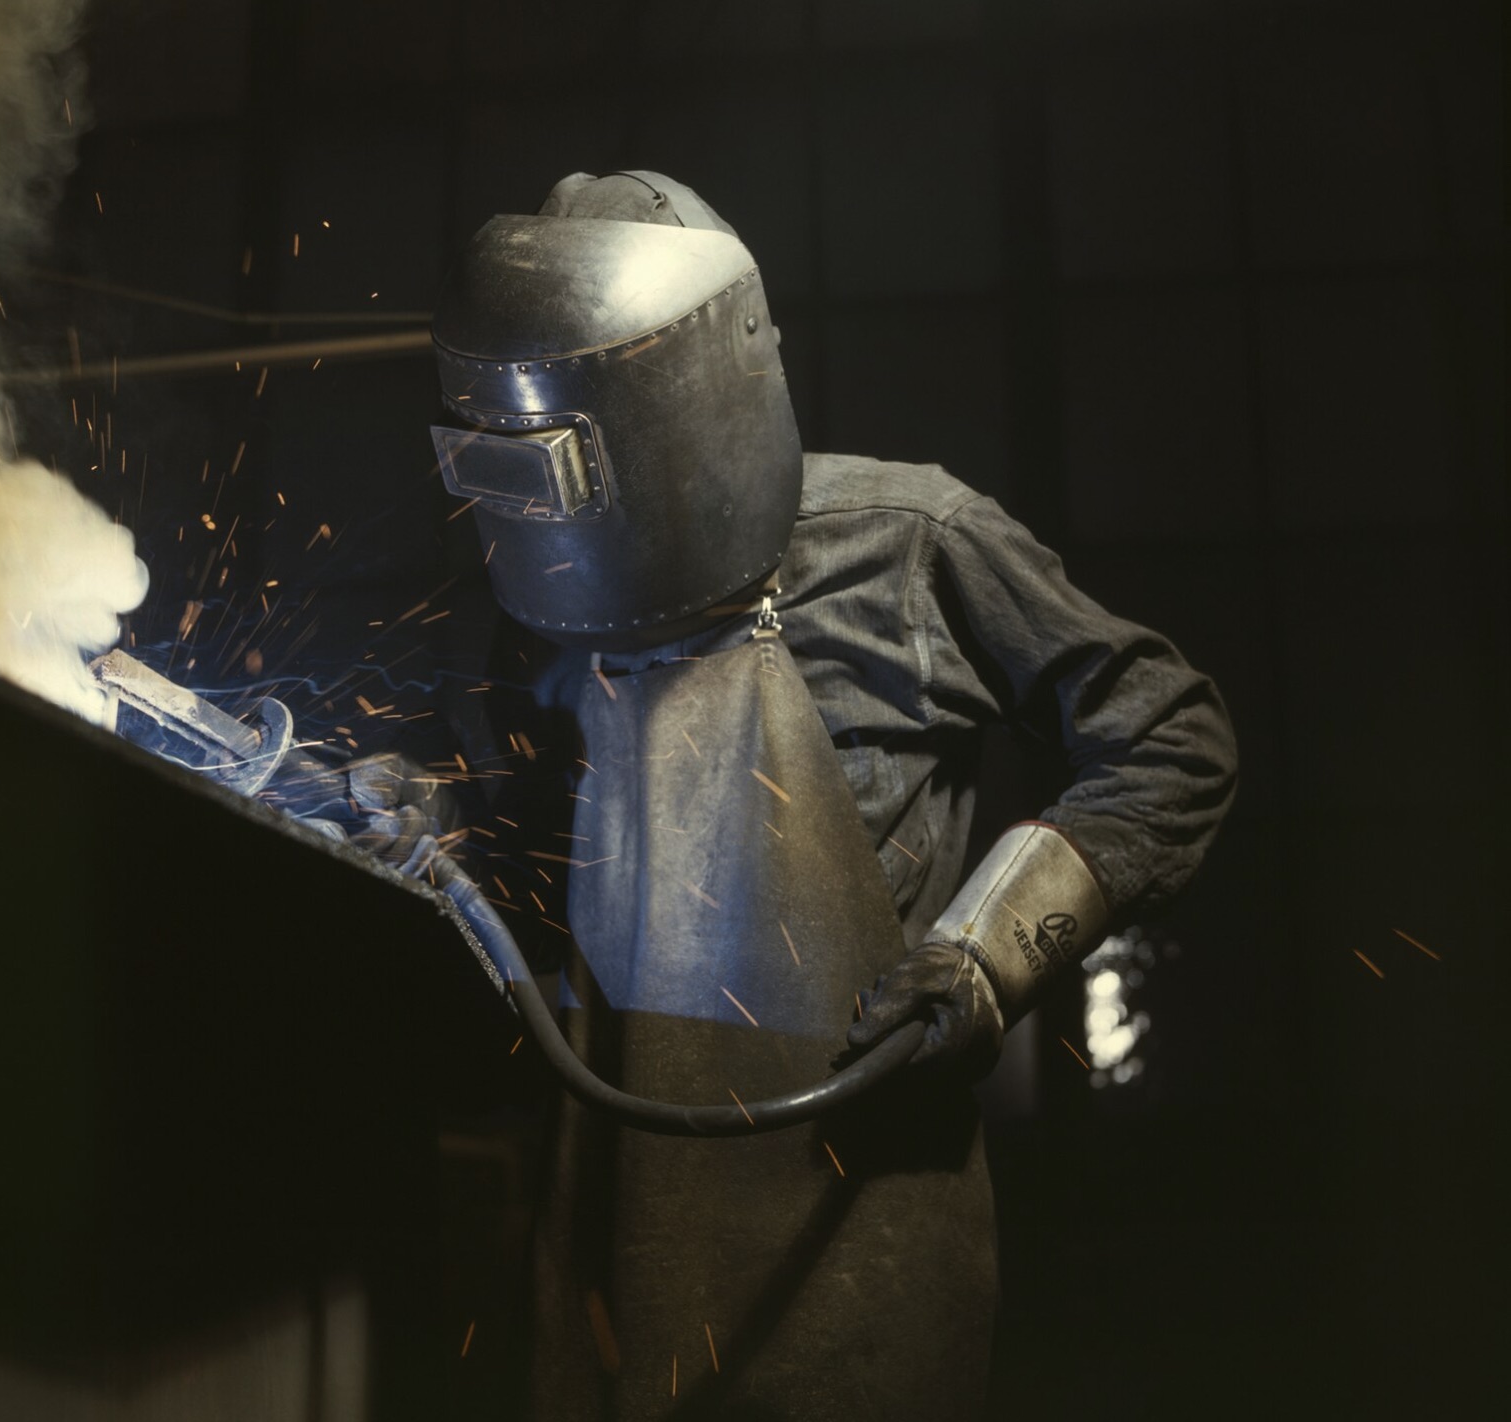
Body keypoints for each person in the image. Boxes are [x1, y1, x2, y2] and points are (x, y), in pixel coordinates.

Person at [426, 171, 1237, 1420]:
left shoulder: (910, 543)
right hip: (615, 1209)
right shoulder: (546, 605)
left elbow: (1174, 738)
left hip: (851, 1210)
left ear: (670, 409)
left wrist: (992, 955)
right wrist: (424, 825)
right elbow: (532, 855)